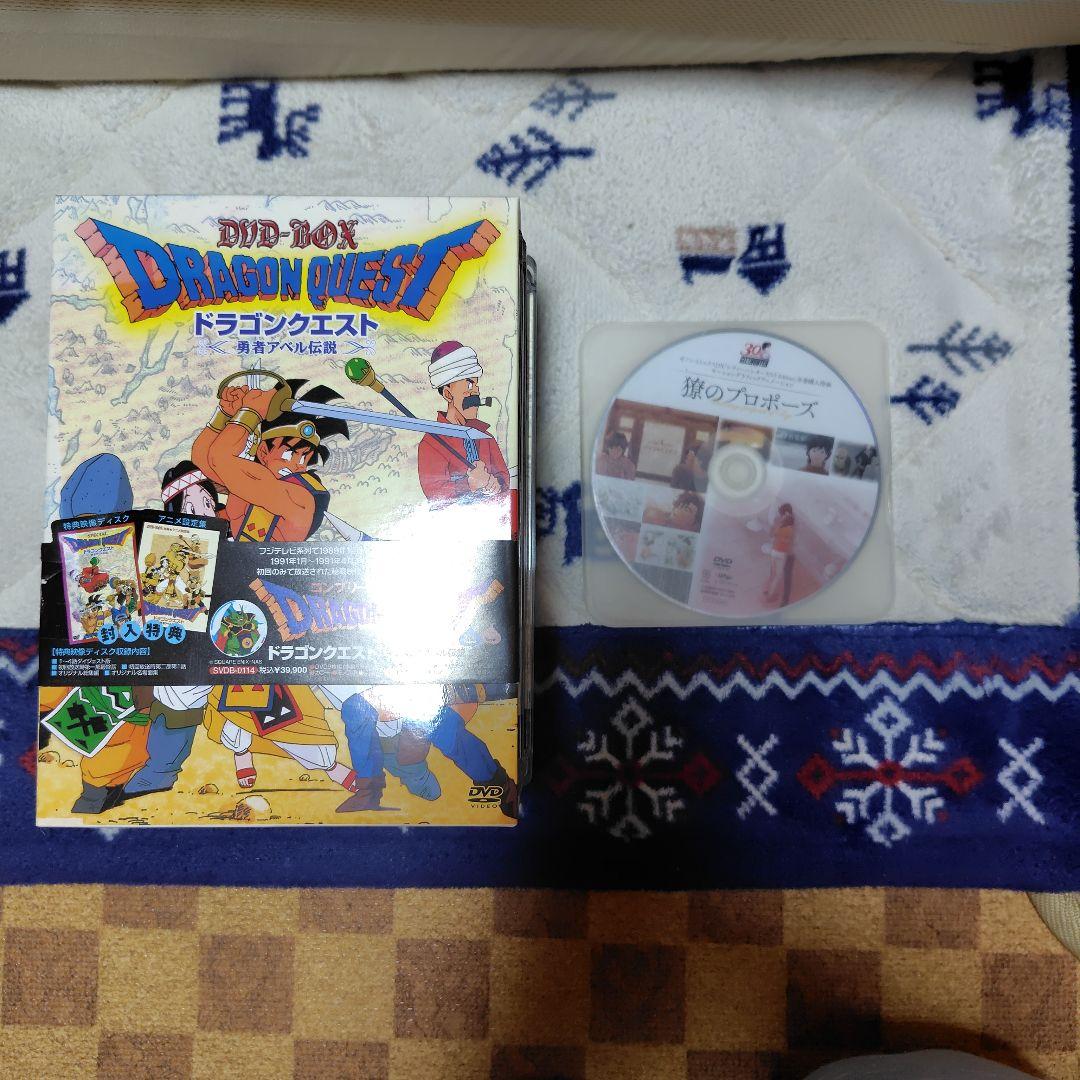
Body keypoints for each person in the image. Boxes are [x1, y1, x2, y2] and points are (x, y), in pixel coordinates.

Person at [416, 340, 511, 524]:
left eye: (476, 385)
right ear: (448, 394)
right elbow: (435, 494)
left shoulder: (485, 437)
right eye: (469, 385)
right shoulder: (431, 443)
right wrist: (469, 484)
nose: (476, 393)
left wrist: (496, 483)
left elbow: (504, 476)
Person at [763, 503, 796, 606]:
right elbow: (790, 542)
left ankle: (768, 590)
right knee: (780, 576)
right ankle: (771, 596)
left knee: (773, 573)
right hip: (783, 554)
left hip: (774, 551)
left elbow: (771, 534)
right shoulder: (791, 527)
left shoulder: (779, 523)